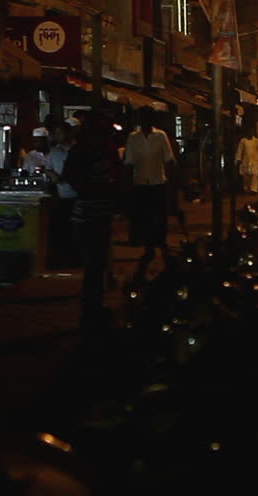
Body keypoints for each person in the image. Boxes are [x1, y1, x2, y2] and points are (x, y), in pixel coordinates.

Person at [62, 114, 120, 336]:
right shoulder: (89, 152)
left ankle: (92, 306)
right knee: (94, 263)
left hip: (93, 214)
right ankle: (91, 307)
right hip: (91, 215)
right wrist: (90, 190)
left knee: (95, 264)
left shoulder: (97, 152)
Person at [123, 106, 176, 276]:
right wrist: (128, 186)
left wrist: (172, 185)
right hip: (140, 184)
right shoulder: (133, 138)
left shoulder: (160, 136)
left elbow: (169, 159)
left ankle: (160, 243)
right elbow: (129, 162)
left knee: (160, 216)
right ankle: (149, 246)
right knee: (144, 217)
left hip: (158, 182)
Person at [45, 121, 79, 266]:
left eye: (60, 132)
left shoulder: (77, 150)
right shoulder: (54, 152)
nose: (57, 136)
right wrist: (52, 174)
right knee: (63, 231)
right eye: (56, 133)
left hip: (78, 196)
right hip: (62, 196)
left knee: (76, 231)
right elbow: (47, 168)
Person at [237, 129, 258, 194]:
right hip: (245, 160)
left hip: (255, 161)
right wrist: (238, 159)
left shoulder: (256, 141)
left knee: (254, 175)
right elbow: (240, 150)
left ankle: (254, 189)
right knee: (246, 176)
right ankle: (246, 189)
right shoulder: (243, 141)